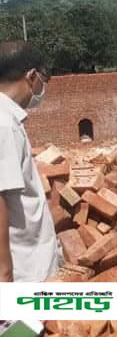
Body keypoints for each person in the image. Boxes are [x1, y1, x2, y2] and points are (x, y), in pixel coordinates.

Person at [0, 41, 61, 282]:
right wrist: (4, 275)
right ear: (32, 76)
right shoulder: (4, 125)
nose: (42, 88)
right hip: (22, 270)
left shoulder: (8, 119)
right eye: (43, 80)